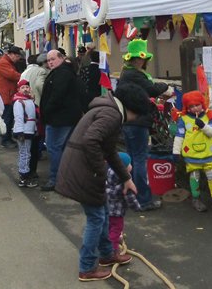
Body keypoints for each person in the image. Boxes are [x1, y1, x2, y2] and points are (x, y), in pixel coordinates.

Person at [56, 89, 149, 282]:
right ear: (132, 109)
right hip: (84, 172)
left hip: (83, 169)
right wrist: (102, 171)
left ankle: (107, 254)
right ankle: (87, 267)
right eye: (136, 115)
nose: (133, 120)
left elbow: (109, 150)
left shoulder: (108, 110)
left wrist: (126, 178)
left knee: (103, 212)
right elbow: (91, 141)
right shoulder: (111, 115)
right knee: (96, 218)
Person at [114, 39, 172, 210]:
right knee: (139, 160)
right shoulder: (135, 75)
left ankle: (131, 195)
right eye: (144, 59)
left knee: (131, 159)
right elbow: (152, 89)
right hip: (138, 122)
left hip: (128, 121)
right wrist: (165, 85)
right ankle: (143, 199)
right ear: (139, 59)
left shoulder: (126, 74)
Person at [172, 91, 212, 213]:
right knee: (195, 176)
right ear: (187, 107)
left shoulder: (209, 116)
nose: (194, 108)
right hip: (191, 154)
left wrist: (203, 126)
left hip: (207, 154)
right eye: (191, 106)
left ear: (202, 104)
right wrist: (176, 151)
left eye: (197, 105)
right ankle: (196, 199)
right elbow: (179, 136)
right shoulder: (184, 119)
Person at [40, 49, 88, 192]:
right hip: (63, 117)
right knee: (62, 148)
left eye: (53, 59)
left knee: (54, 147)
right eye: (48, 60)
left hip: (59, 119)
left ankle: (57, 179)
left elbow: (57, 96)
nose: (50, 62)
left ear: (61, 58)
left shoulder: (63, 73)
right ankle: (66, 178)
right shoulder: (64, 72)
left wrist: (47, 110)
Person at [106, 152, 142, 255]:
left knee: (109, 227)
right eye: (129, 164)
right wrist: (137, 208)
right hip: (117, 211)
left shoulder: (109, 172)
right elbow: (130, 198)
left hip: (107, 208)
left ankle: (106, 244)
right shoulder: (125, 182)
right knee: (116, 229)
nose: (131, 166)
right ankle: (113, 250)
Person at [0, 45, 22, 148]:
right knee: (7, 119)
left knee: (9, 118)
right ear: (12, 55)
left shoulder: (7, 62)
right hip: (6, 96)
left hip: (9, 95)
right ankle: (5, 140)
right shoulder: (3, 63)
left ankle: (8, 138)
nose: (18, 59)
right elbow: (12, 75)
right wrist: (23, 77)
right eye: (18, 56)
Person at [12, 79, 38, 188]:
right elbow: (18, 118)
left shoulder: (30, 101)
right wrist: (19, 132)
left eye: (27, 87)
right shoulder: (19, 102)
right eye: (23, 87)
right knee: (25, 154)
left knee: (25, 153)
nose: (26, 89)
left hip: (30, 130)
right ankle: (24, 176)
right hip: (24, 132)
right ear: (18, 89)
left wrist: (35, 128)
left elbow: (33, 117)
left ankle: (24, 175)